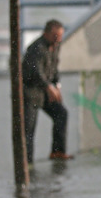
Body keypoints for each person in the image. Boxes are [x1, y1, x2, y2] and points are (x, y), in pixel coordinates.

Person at [22, 19, 71, 163]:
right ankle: (27, 161)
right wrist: (48, 87)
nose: (59, 40)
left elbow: (54, 68)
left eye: (60, 36)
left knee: (61, 114)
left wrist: (57, 86)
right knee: (29, 129)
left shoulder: (55, 47)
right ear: (46, 34)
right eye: (56, 36)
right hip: (31, 93)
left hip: (46, 93)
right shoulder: (36, 48)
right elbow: (36, 71)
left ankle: (58, 151)